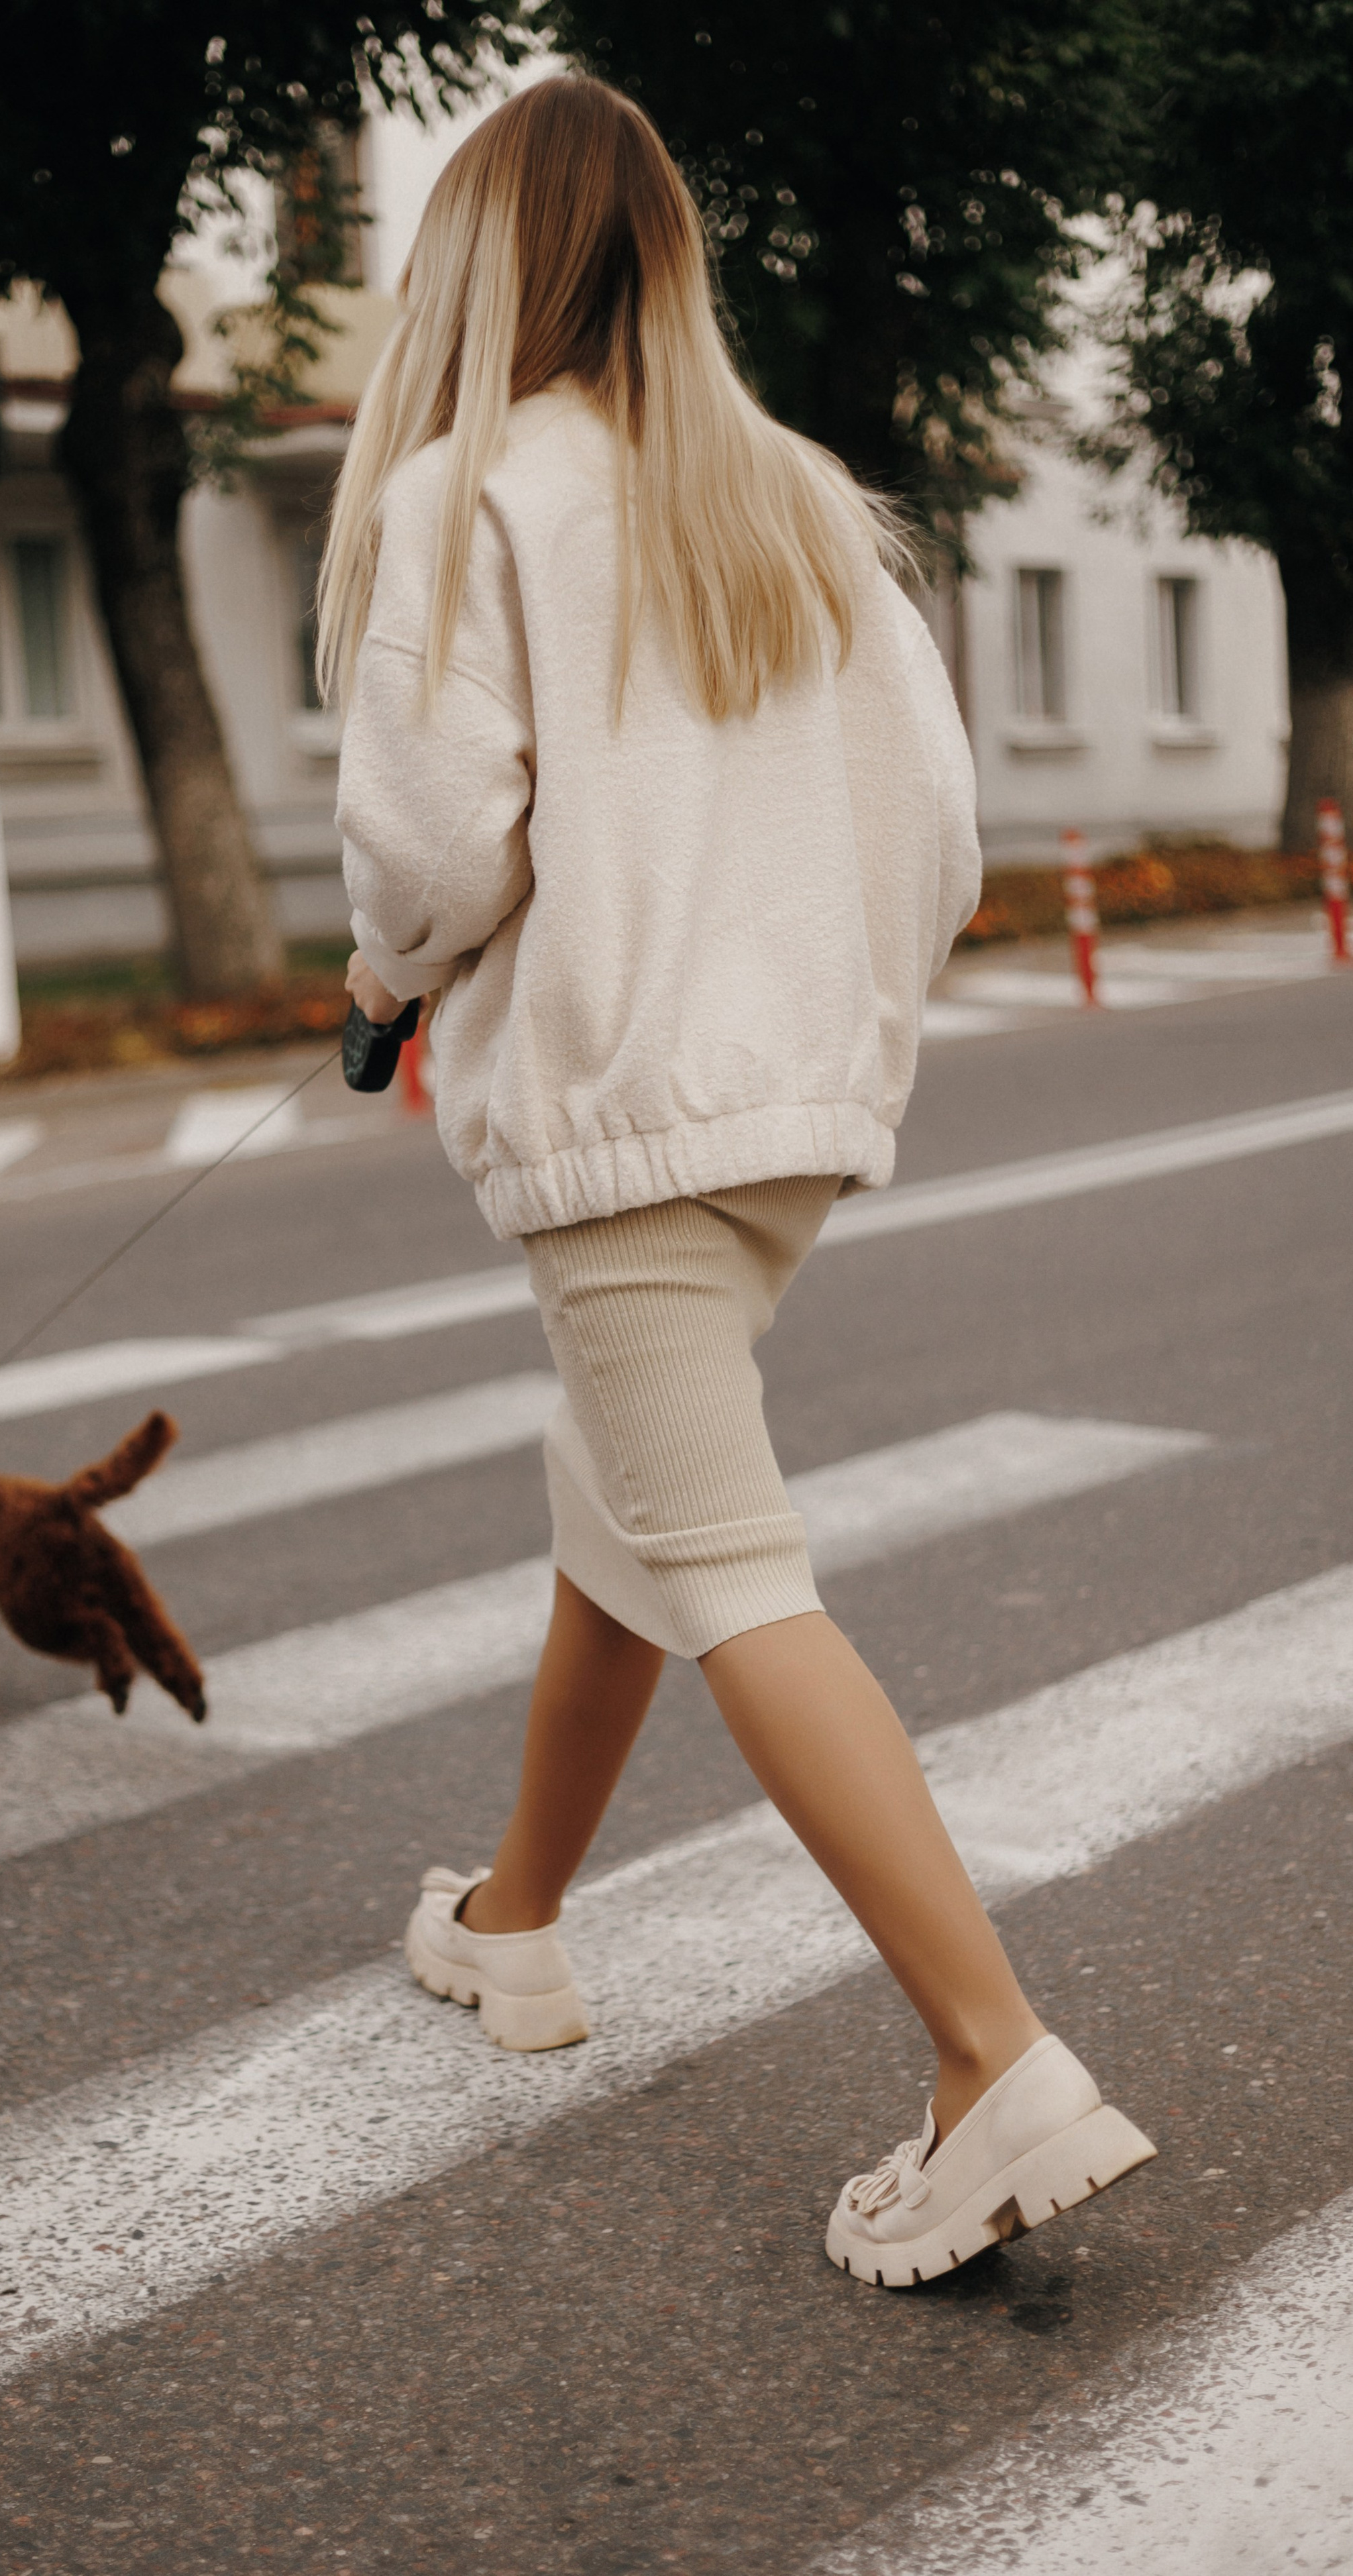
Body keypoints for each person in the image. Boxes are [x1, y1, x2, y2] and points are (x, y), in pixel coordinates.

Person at [316, 74, 1154, 2288]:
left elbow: (430, 848)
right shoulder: (792, 497)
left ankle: (993, 2059)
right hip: (794, 1121)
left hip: (622, 1118)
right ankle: (516, 1925)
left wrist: (390, 974)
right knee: (632, 1517)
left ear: (481, 267)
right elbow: (944, 836)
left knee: (729, 1564)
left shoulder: (464, 492)